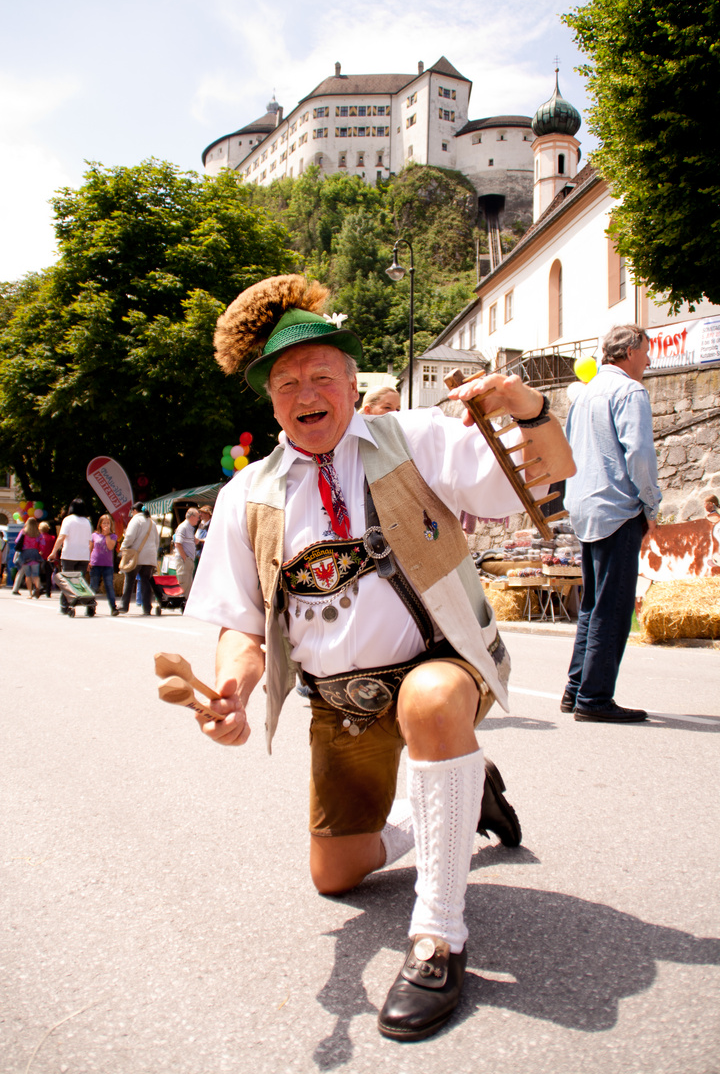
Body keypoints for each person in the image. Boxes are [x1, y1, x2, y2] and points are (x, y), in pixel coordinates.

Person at [186, 274, 575, 1042]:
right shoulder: (248, 498)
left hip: (440, 665)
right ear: (270, 401)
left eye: (322, 374)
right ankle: (461, 799)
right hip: (341, 702)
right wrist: (231, 688)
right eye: (288, 381)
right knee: (335, 874)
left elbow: (545, 477)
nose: (307, 391)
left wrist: (531, 408)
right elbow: (241, 627)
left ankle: (439, 935)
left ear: (351, 382)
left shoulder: (418, 437)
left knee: (429, 704)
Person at [561, 324, 661, 723]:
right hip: (618, 508)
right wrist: (651, 507)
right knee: (614, 606)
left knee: (592, 604)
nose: (650, 361)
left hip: (585, 506)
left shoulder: (583, 394)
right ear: (631, 351)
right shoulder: (630, 391)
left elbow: (568, 449)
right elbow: (639, 453)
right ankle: (595, 697)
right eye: (646, 352)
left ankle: (575, 690)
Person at [48, 498, 93, 614]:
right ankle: (87, 603)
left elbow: (61, 537)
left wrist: (53, 552)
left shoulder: (68, 520)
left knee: (66, 581)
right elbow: (89, 541)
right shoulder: (87, 522)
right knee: (80, 582)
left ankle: (64, 605)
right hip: (83, 555)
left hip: (69, 554)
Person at [118, 503, 159, 615]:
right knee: (146, 581)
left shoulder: (136, 521)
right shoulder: (152, 522)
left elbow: (130, 537)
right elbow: (156, 541)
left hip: (136, 556)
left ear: (135, 510)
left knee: (129, 580)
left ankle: (124, 605)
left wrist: (123, 548)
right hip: (149, 557)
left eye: (131, 511)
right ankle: (147, 608)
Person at [89, 514, 119, 616]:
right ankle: (90, 607)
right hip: (95, 563)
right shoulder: (94, 535)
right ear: (100, 524)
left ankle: (113, 607)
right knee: (93, 586)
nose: (106, 525)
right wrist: (88, 561)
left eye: (108, 523)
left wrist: (107, 535)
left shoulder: (113, 536)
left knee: (109, 586)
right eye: (104, 523)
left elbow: (110, 547)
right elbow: (90, 548)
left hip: (107, 565)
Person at [172, 507, 200, 596]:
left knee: (188, 585)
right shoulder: (183, 527)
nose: (198, 519)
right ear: (192, 516)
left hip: (188, 560)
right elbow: (178, 543)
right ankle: (182, 605)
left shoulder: (190, 528)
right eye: (197, 517)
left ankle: (185, 606)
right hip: (184, 560)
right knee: (184, 584)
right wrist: (185, 558)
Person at [15, 517, 44, 597]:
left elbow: (17, 541)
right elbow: (42, 543)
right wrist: (39, 550)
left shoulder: (24, 531)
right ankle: (37, 589)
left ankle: (30, 593)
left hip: (25, 554)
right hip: (35, 554)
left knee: (28, 575)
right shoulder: (38, 533)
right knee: (36, 574)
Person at [38, 521, 56, 597]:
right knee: (49, 576)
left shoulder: (39, 537)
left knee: (37, 575)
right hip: (49, 559)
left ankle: (38, 589)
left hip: (40, 558)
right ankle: (48, 592)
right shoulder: (52, 538)